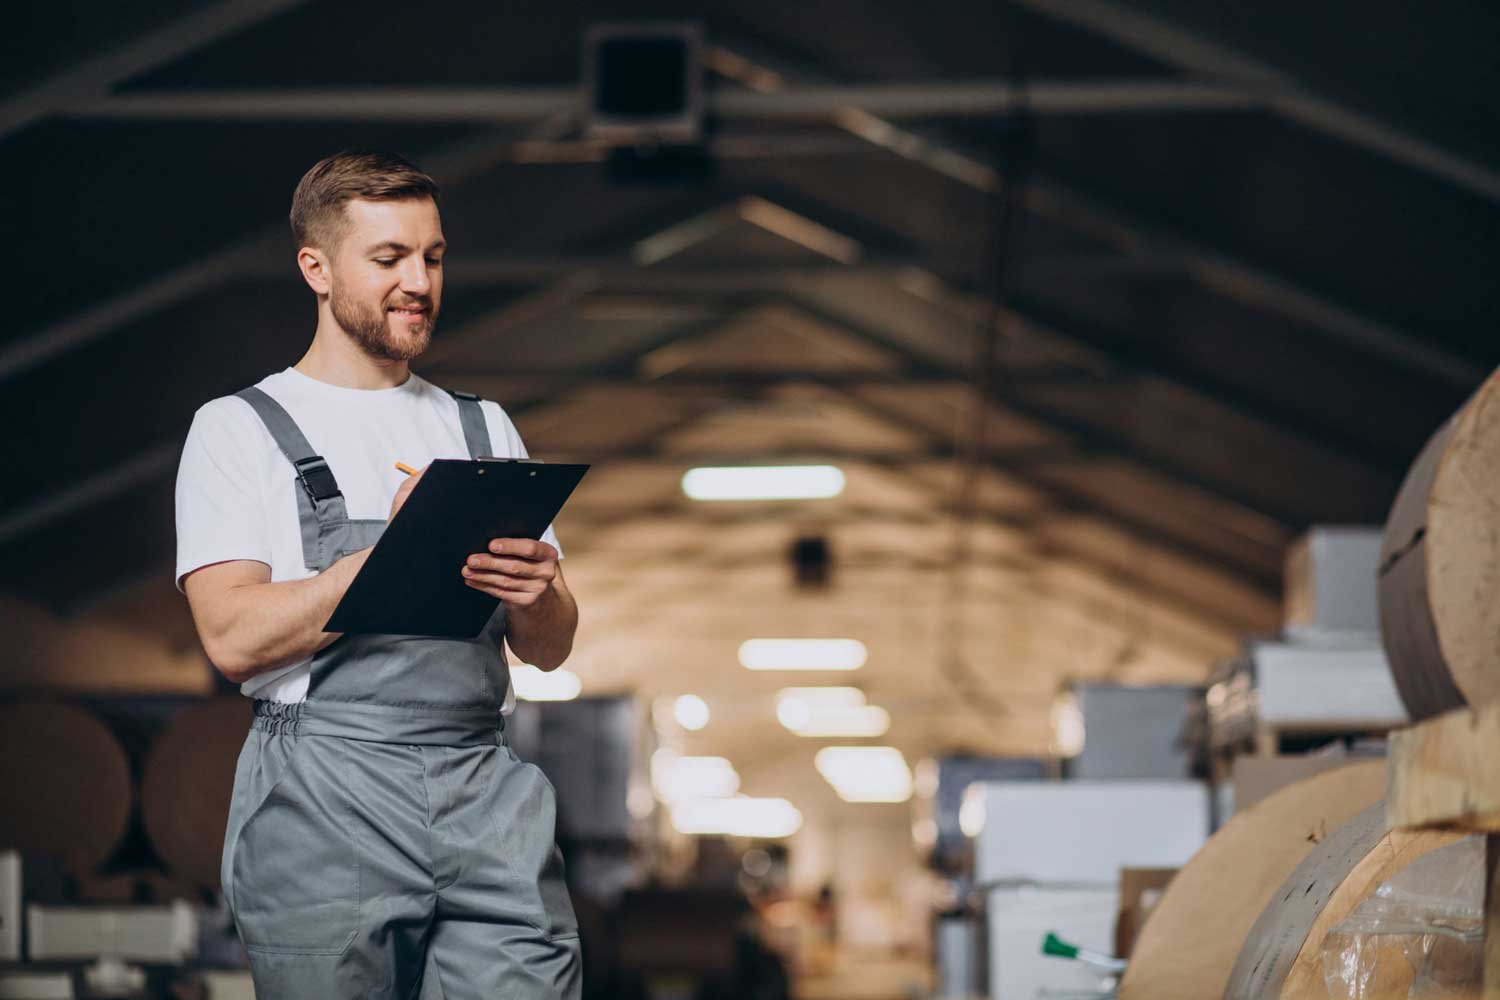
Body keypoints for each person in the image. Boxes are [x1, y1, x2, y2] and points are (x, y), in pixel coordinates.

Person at [174, 150, 581, 999]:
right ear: (315, 268)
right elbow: (232, 640)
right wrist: (392, 555)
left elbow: (547, 651)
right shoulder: (239, 429)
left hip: (481, 784)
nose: (419, 282)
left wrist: (543, 594)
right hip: (326, 798)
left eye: (431, 257)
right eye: (389, 258)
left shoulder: (482, 428)